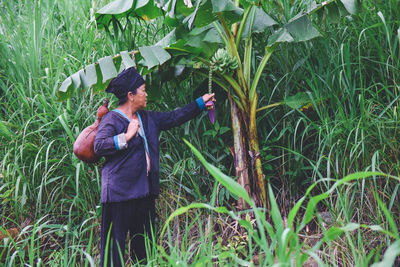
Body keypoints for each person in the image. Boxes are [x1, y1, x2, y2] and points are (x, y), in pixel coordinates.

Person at [94, 67, 215, 266]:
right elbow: (99, 146)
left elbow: (174, 117)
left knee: (145, 249)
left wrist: (201, 103)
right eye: (143, 90)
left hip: (144, 193)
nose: (146, 94)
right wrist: (126, 136)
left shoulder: (148, 118)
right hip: (119, 196)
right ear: (131, 95)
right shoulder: (112, 119)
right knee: (113, 252)